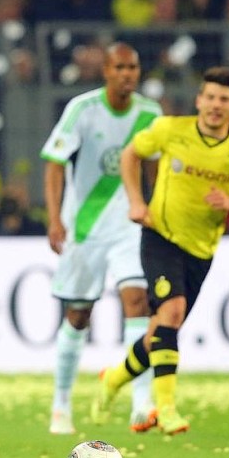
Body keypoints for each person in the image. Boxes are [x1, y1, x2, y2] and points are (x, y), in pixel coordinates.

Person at [93, 66, 229, 435]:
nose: (216, 105)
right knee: (171, 312)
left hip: (201, 249)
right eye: (210, 97)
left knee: (160, 329)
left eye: (224, 99)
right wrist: (137, 202)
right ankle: (166, 409)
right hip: (161, 235)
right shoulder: (170, 130)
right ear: (199, 100)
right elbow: (129, 155)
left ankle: (112, 379)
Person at [39, 42, 163, 435]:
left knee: (137, 300)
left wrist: (157, 214)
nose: (128, 74)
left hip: (130, 223)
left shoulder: (150, 113)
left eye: (133, 67)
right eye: (120, 67)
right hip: (85, 226)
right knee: (78, 315)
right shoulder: (82, 109)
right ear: (107, 71)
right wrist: (55, 218)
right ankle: (61, 403)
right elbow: (55, 164)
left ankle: (141, 403)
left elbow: (156, 170)